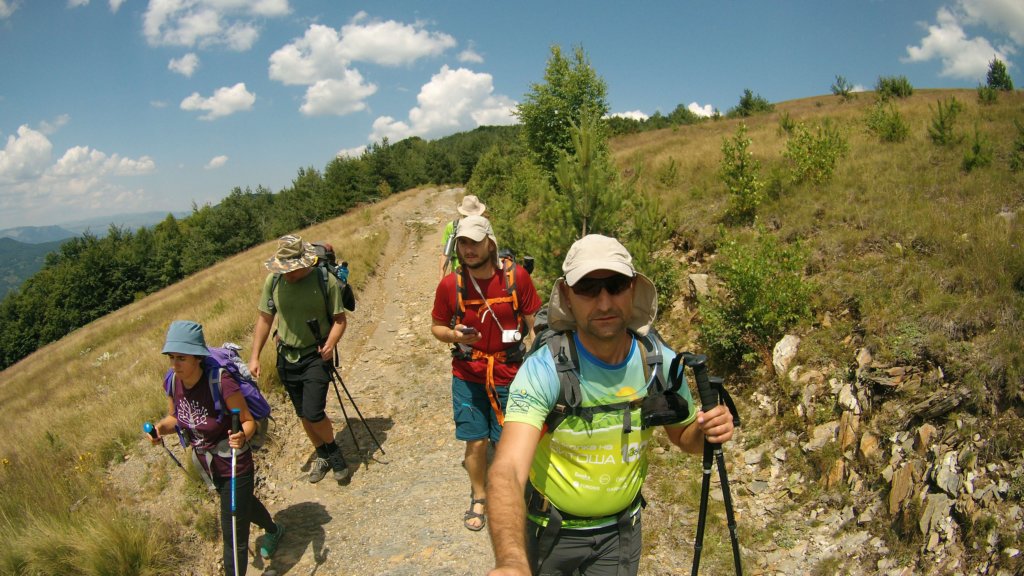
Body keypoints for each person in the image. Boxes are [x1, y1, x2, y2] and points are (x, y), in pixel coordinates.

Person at [486, 235, 736, 576]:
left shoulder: (659, 362)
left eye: (615, 286)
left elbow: (684, 438)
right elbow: (508, 470)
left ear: (632, 289)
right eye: (587, 288)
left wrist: (708, 431)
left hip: (620, 535)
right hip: (550, 533)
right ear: (567, 297)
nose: (604, 303)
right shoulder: (544, 370)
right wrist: (512, 562)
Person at [430, 215, 542, 531]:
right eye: (463, 243)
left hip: (511, 372)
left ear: (490, 243)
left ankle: (509, 494)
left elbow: (535, 322)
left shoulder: (517, 278)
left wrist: (540, 363)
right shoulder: (450, 285)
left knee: (508, 442)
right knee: (475, 441)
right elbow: (437, 327)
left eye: (475, 242)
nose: (469, 249)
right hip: (468, 374)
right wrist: (454, 336)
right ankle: (479, 496)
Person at [150, 320, 285, 576]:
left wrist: (242, 436)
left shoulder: (221, 382)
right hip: (209, 466)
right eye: (171, 357)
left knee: (233, 533)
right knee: (241, 504)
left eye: (181, 358)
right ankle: (274, 530)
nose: (175, 364)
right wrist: (159, 429)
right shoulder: (172, 382)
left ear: (198, 357)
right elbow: (175, 418)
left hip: (235, 463)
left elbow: (248, 421)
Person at [248, 235, 350, 484]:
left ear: (304, 263)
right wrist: (255, 356)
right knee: (302, 413)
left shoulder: (324, 280)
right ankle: (321, 454)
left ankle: (333, 451)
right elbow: (265, 319)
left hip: (316, 355)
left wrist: (330, 344)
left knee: (314, 412)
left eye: (291, 269)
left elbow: (340, 320)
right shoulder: (274, 281)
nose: (287, 274)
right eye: (284, 268)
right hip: (286, 356)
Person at [439, 194, 487, 279]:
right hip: (462, 274)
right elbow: (446, 254)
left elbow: (446, 254)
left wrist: (441, 278)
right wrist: (441, 278)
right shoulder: (452, 227)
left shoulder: (453, 226)